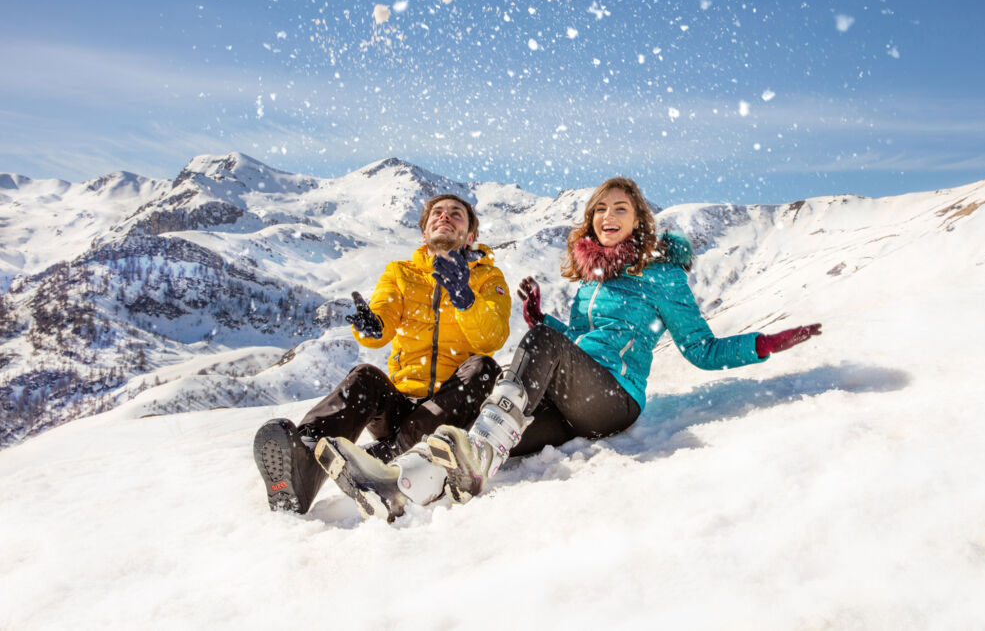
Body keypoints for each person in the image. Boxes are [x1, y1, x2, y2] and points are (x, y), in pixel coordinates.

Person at [314, 177, 822, 521]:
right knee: (478, 431)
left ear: (639, 219)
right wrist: (543, 319)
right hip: (571, 402)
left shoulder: (663, 276)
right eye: (599, 209)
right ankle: (400, 487)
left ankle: (477, 452)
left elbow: (701, 349)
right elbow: (577, 342)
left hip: (615, 400)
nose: (607, 216)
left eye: (619, 209)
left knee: (507, 399)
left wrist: (762, 344)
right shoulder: (591, 279)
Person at [253, 193, 511, 516]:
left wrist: (466, 300)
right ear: (424, 233)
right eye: (437, 213)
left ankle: (387, 456)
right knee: (364, 378)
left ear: (471, 236)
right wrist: (372, 325)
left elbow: (494, 336)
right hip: (401, 409)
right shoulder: (401, 273)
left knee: (484, 368)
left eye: (456, 214)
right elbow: (383, 315)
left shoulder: (487, 278)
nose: (445, 217)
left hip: (452, 412)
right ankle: (303, 463)